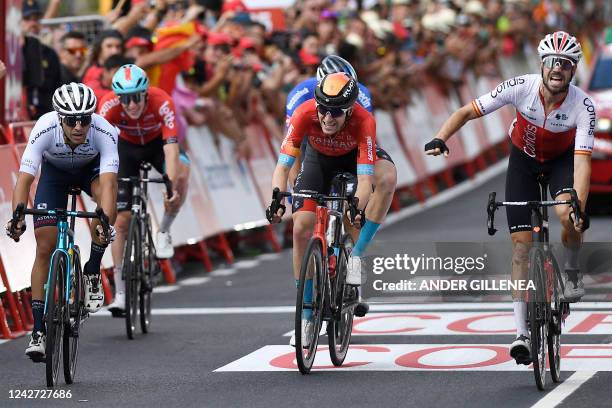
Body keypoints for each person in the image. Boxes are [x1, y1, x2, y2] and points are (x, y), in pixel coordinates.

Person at [424, 31, 594, 364]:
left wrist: (579, 208)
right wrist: (441, 137)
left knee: (565, 216)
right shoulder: (520, 87)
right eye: (551, 63)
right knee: (521, 248)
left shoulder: (583, 105)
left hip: (561, 164)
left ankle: (571, 273)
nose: (557, 69)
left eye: (565, 64)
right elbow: (468, 111)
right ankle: (521, 334)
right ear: (541, 65)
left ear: (573, 70)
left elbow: (583, 162)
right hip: (523, 163)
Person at [6, 83, 119, 361]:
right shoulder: (44, 128)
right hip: (55, 174)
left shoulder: (104, 131)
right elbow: (25, 180)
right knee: (44, 246)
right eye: (71, 120)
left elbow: (109, 186)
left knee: (105, 211)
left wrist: (104, 218)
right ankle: (39, 330)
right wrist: (17, 216)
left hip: (90, 172)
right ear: (59, 118)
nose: (79, 126)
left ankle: (92, 270)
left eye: (85, 119)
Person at [268, 72, 377, 347]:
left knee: (354, 216)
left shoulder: (364, 121)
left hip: (351, 163)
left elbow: (365, 181)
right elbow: (282, 166)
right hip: (317, 161)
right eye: (323, 109)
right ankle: (305, 314)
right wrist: (276, 198)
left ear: (350, 110)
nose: (328, 118)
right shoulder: (304, 113)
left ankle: (351, 267)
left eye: (336, 112)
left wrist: (358, 206)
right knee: (301, 227)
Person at [285, 55, 397, 306]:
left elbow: (362, 144)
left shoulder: (362, 97)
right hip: (313, 145)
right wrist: (297, 197)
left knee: (356, 205)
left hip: (351, 146)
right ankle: (305, 301)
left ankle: (355, 265)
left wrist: (358, 201)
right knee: (302, 220)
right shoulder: (299, 96)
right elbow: (291, 152)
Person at [98, 64, 190, 314]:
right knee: (121, 222)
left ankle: (164, 231)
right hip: (127, 150)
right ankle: (120, 293)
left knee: (182, 172)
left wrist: (170, 185)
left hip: (156, 145)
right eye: (124, 99)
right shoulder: (108, 106)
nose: (130, 104)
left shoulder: (162, 102)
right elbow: (101, 148)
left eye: (136, 97)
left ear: (146, 93)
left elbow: (171, 149)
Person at [21, 0, 62, 119]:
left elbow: (57, 88)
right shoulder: (13, 54)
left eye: (36, 18)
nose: (33, 23)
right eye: (27, 18)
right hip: (22, 114)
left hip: (46, 115)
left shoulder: (50, 53)